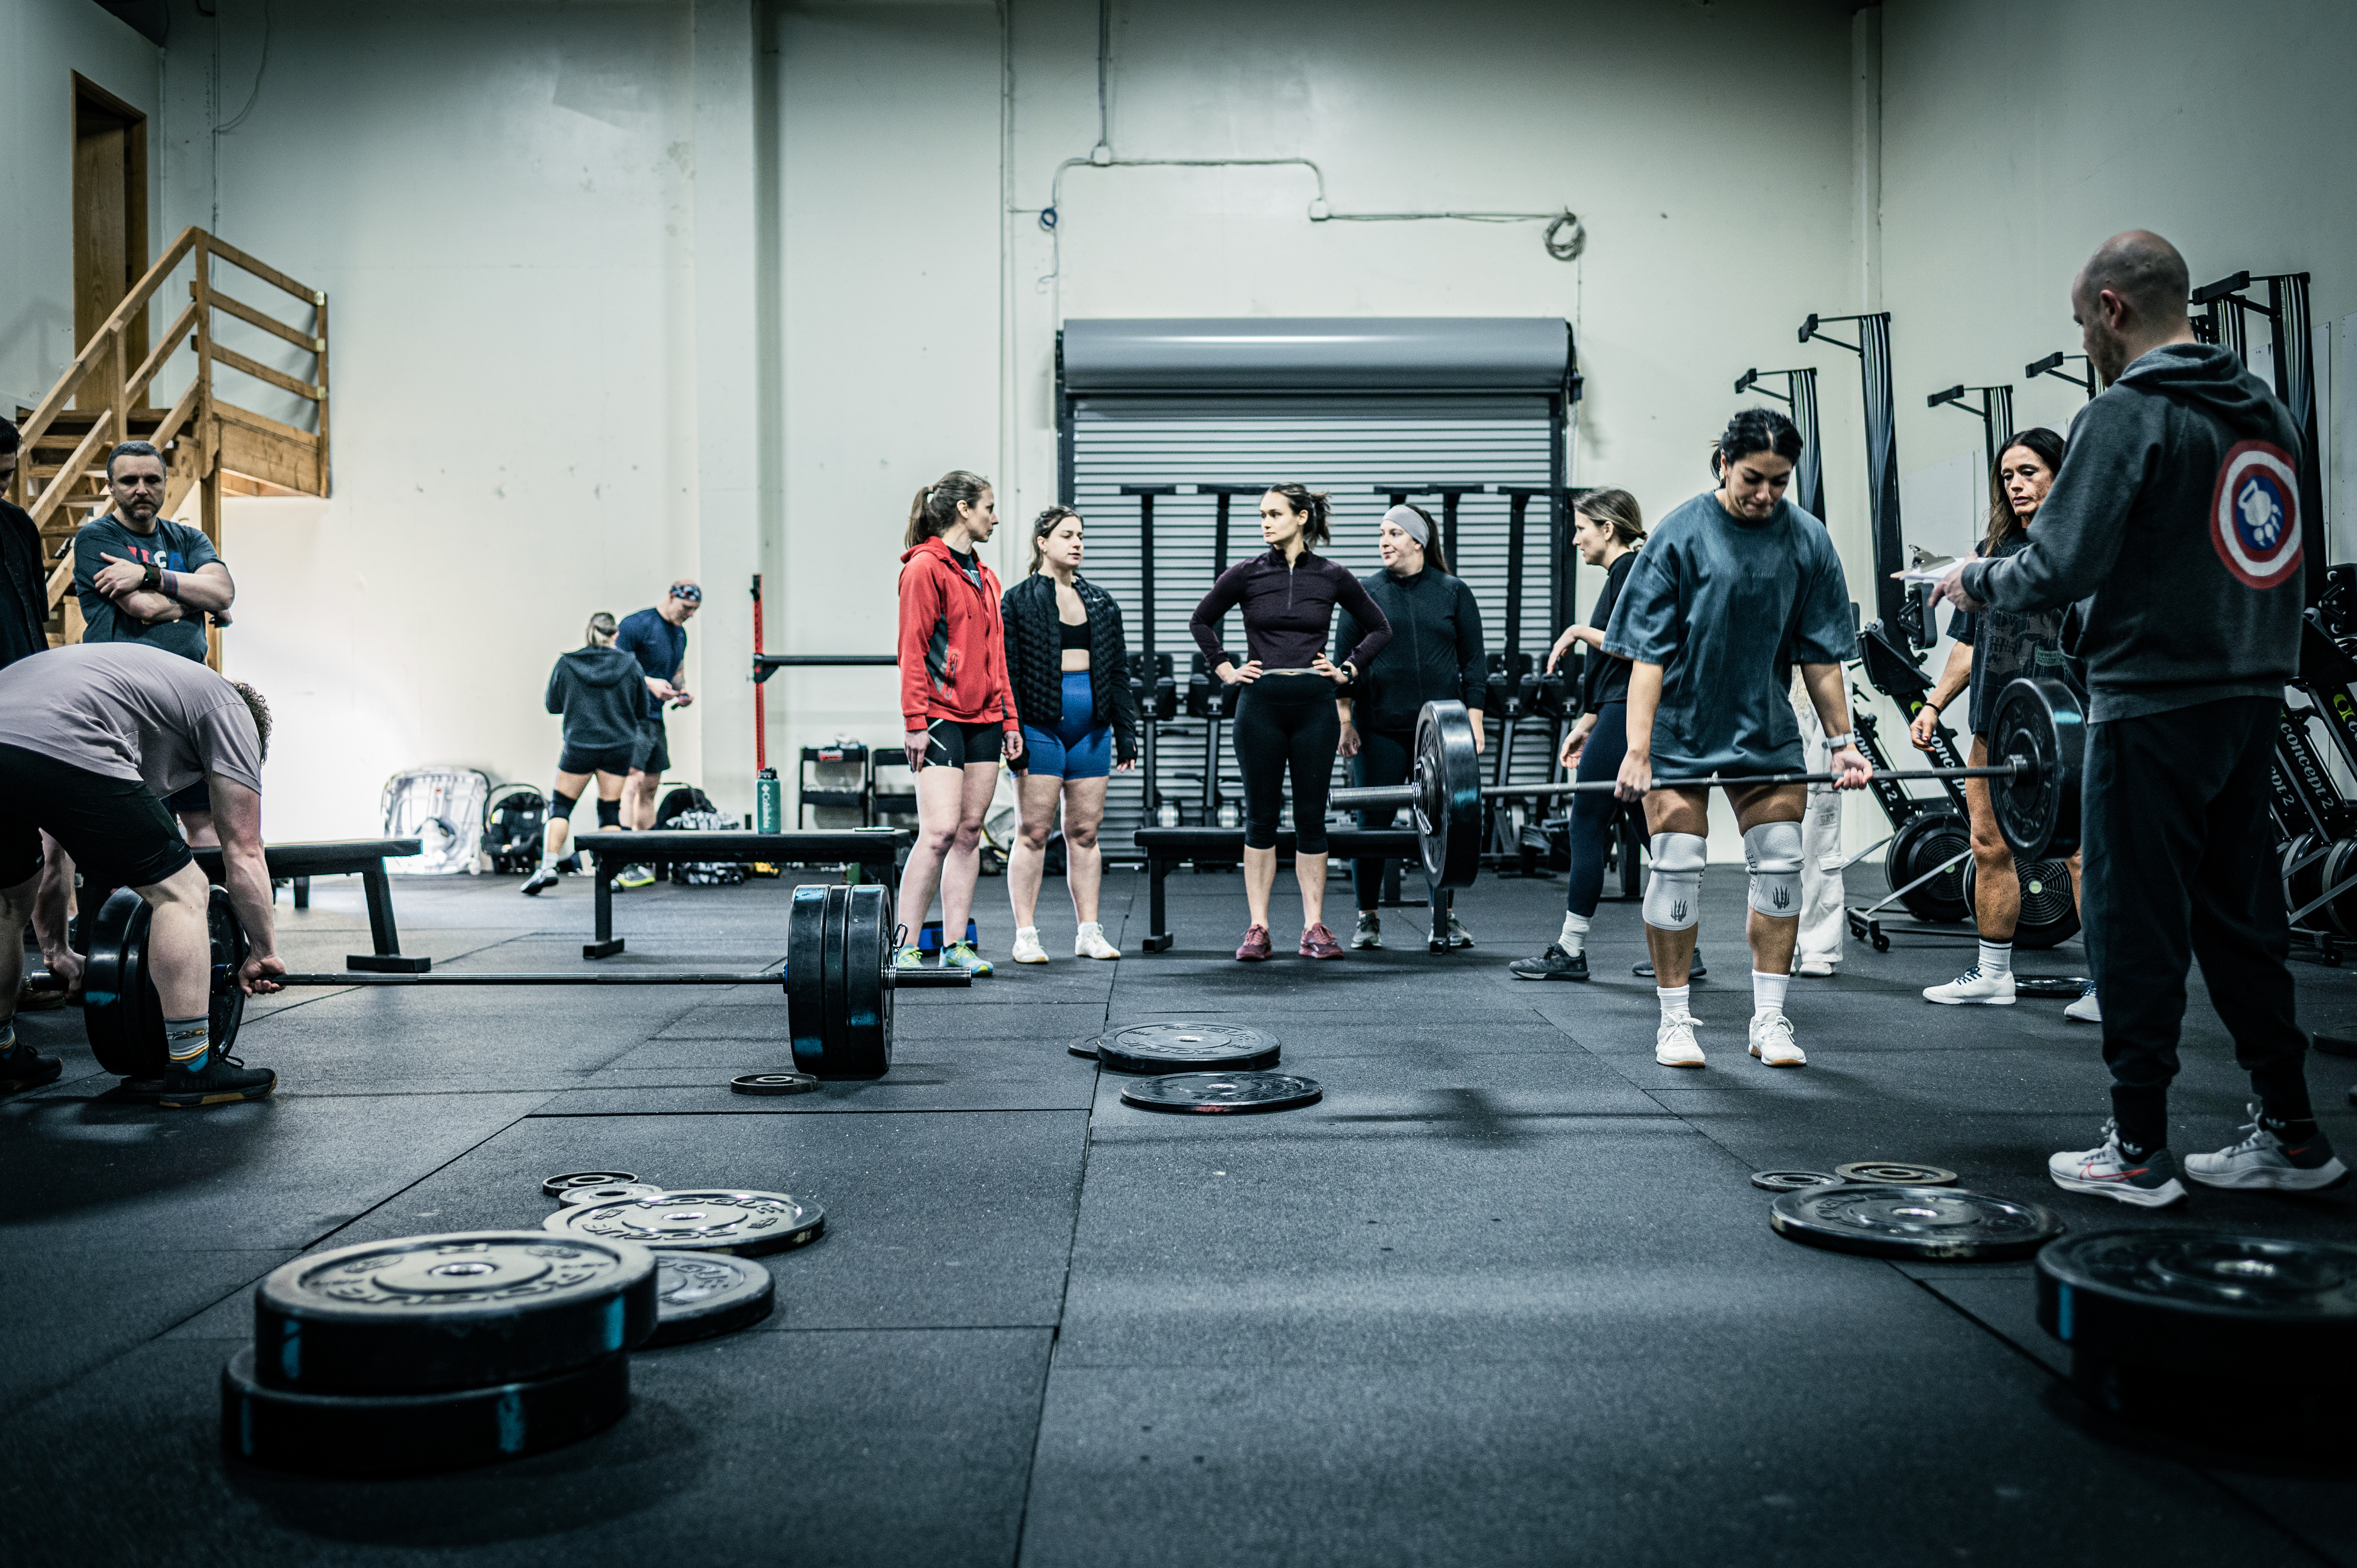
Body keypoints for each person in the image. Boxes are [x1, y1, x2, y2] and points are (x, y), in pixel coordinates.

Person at [1931, 229, 2345, 1207]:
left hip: (2151, 699)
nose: (2086, 344)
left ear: (2113, 309)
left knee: (2129, 917)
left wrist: (1969, 579)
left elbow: (2057, 565)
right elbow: (2279, 551)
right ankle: (2291, 1129)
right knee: (2245, 916)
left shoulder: (2127, 411)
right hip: (2249, 694)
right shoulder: (2267, 415)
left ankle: (2137, 1146)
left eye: (2084, 325)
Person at [1606, 410, 1869, 1068]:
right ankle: (1674, 1021)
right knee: (1674, 863)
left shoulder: (1806, 539)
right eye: (1754, 478)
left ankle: (1769, 1020)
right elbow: (1646, 656)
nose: (1765, 495)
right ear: (1723, 461)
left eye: (1780, 482)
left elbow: (1820, 657)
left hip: (1763, 723)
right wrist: (1637, 749)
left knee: (1781, 861)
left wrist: (1842, 741)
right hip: (1679, 726)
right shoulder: (1678, 534)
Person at [0, 643, 285, 1104]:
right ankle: (193, 1065)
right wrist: (263, 951)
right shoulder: (233, 712)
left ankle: (2, 1055)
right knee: (183, 891)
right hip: (68, 737)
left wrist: (59, 953)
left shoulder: (137, 692)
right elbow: (245, 850)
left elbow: (53, 861)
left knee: (6, 902)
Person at [1912, 427, 2094, 1018]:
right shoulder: (1989, 555)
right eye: (2008, 475)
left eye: (2030, 472)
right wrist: (1935, 704)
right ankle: (1993, 974)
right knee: (1987, 844)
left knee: (2083, 856)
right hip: (1997, 724)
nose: (2016, 484)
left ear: (2060, 475)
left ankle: (2111, 986)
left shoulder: (2078, 549)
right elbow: (1967, 646)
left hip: (2067, 727)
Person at [1189, 485, 1390, 961]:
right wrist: (1225, 669)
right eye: (1261, 515)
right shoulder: (1246, 573)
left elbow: (1381, 628)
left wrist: (1348, 670)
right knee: (1260, 818)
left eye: (1275, 514)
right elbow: (1202, 620)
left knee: (1310, 820)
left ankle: (1313, 927)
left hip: (1315, 709)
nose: (1265, 522)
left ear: (1302, 518)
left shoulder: (1333, 576)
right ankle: (1258, 927)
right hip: (1260, 708)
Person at [1334, 504, 1484, 952]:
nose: (1384, 541)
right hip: (1377, 727)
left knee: (1446, 823)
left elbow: (1474, 665)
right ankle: (1368, 917)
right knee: (1372, 823)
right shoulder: (1364, 593)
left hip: (1441, 733)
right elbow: (1344, 665)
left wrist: (1473, 723)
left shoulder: (1453, 592)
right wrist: (1345, 720)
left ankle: (1446, 916)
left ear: (1418, 541)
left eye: (1395, 533)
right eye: (1381, 533)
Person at [74, 440, 238, 848]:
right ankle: (148, 911)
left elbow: (223, 592)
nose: (141, 489)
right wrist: (197, 601)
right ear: (111, 487)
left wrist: (149, 574)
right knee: (150, 829)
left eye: (151, 480)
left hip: (190, 701)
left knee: (205, 818)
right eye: (129, 481)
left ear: (165, 483)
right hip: (129, 705)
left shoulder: (187, 538)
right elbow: (144, 609)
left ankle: (210, 911)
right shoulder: (97, 539)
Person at [1512, 489, 1648, 981]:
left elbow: (1635, 645)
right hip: (1613, 711)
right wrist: (1588, 722)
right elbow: (1614, 663)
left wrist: (1575, 631)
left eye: (1582, 528)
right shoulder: (1622, 573)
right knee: (1654, 831)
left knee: (1587, 823)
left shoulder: (1633, 569)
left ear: (1608, 529)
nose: (1575, 540)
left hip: (1627, 712)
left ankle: (1571, 950)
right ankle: (1683, 944)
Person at [896, 471, 1022, 975]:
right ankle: (903, 945)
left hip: (987, 716)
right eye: (989, 507)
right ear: (964, 509)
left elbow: (998, 658)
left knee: (971, 831)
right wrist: (913, 721)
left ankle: (955, 945)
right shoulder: (925, 567)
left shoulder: (986, 577)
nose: (996, 517)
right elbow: (910, 651)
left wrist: (1010, 719)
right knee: (939, 831)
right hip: (940, 716)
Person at [1000, 506, 1136, 963]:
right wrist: (1011, 727)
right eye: (1066, 535)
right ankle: (1025, 935)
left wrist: (1126, 731)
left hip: (1092, 730)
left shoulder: (1101, 601)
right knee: (1034, 831)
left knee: (1084, 832)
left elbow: (1118, 671)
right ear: (1043, 542)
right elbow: (1009, 673)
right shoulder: (1018, 601)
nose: (1077, 543)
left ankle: (1089, 933)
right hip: (1039, 727)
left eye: (1081, 535)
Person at [0, 421, 78, 1012]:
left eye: (6, 477)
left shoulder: (18, 526)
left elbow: (33, 618)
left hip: (21, 710)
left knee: (18, 877)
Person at [523, 612, 645, 896]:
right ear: (615, 635)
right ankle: (611, 876)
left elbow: (553, 705)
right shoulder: (630, 664)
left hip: (580, 746)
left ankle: (549, 867)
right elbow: (641, 709)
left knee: (561, 807)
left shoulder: (567, 663)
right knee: (610, 811)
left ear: (589, 633)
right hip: (618, 747)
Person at [612, 581, 701, 890]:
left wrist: (682, 689)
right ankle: (624, 859)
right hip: (632, 715)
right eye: (686, 608)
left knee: (651, 785)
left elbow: (677, 668)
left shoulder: (680, 633)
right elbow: (618, 666)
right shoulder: (637, 625)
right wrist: (649, 683)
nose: (689, 615)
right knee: (632, 782)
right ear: (672, 597)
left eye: (694, 611)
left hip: (655, 718)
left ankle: (647, 855)